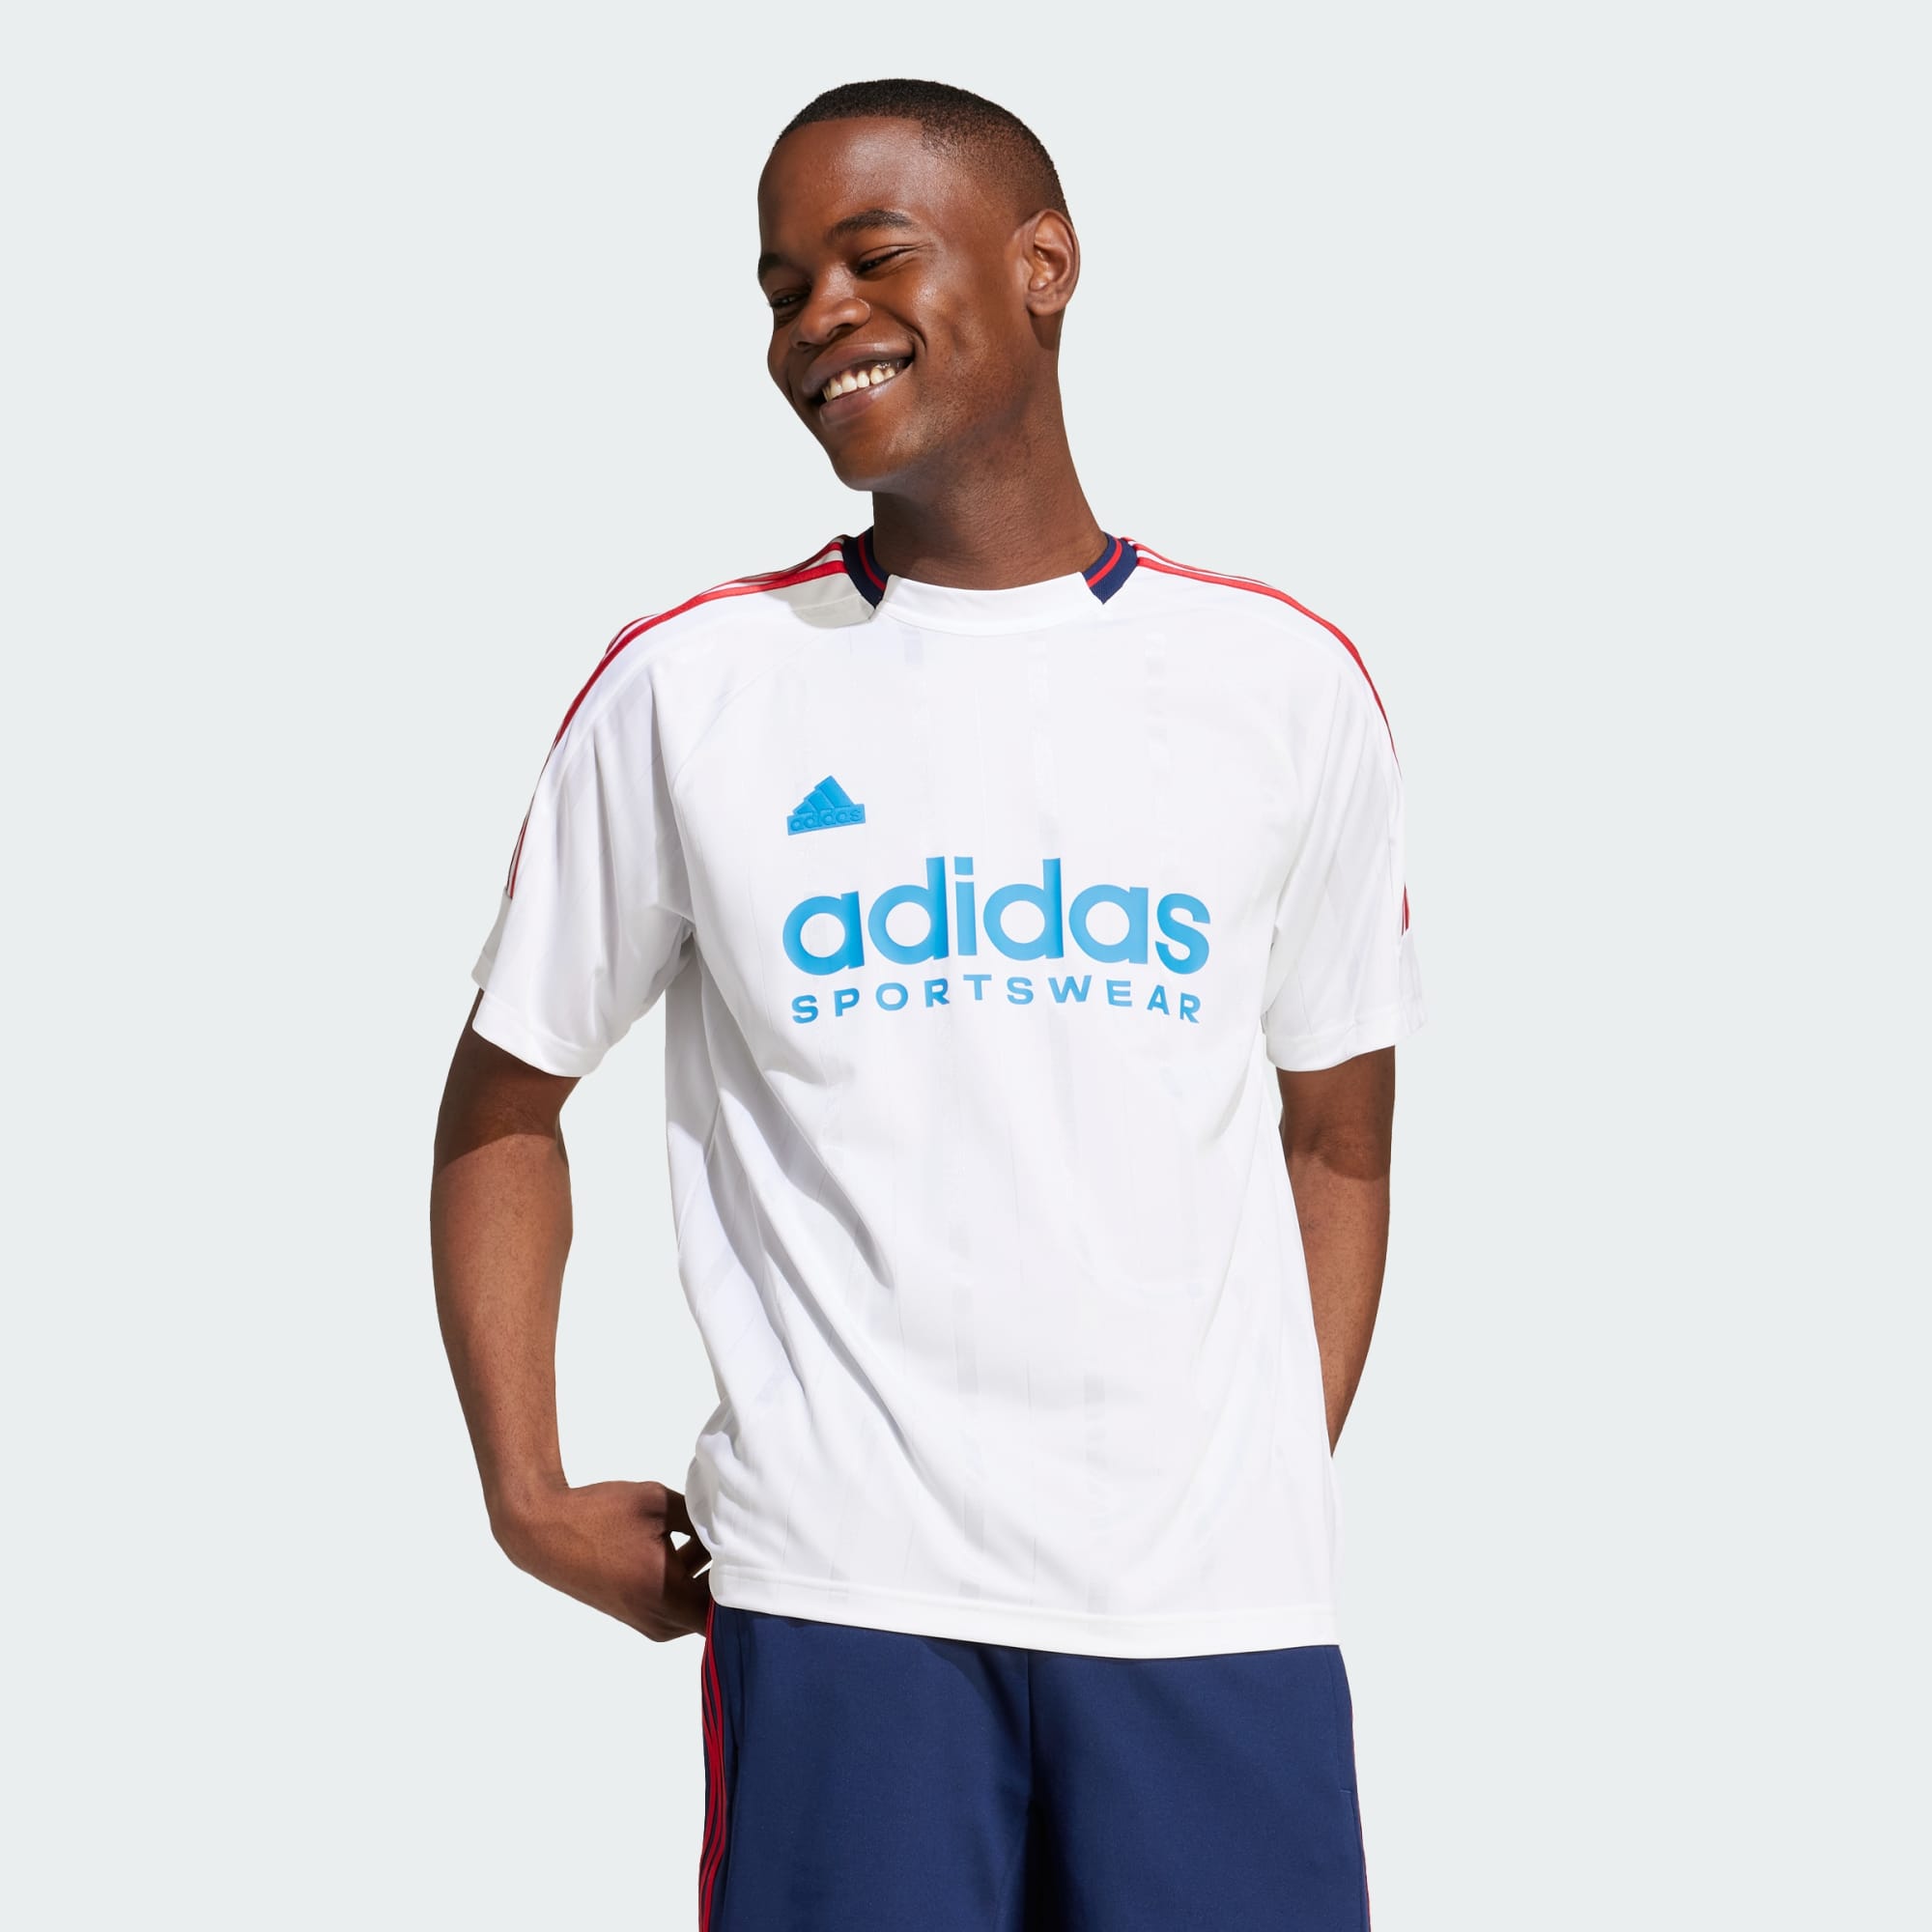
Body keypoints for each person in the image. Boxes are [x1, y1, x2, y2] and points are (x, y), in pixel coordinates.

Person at [431, 76, 1425, 1931]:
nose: (819, 317)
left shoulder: (1284, 686)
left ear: (1046, 263)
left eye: (871, 257)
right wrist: (525, 1489)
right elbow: (505, 1101)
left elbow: (1339, 1136)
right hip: (844, 1607)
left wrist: (1251, 1468)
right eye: (780, 287)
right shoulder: (691, 689)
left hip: (1220, 1625)